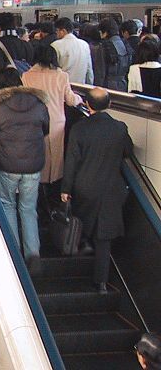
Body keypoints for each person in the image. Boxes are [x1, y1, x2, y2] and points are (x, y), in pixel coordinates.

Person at [61, 88, 133, 293]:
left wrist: (66, 188)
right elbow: (127, 151)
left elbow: (72, 161)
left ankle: (75, 274)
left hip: (85, 188)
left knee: (80, 229)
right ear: (109, 104)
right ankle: (101, 283)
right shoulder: (119, 128)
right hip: (112, 189)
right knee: (104, 239)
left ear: (87, 105)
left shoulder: (79, 128)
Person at [0, 69, 49, 270]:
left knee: (7, 204)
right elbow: (45, 129)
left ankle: (14, 253)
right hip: (33, 165)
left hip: (7, 164)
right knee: (29, 208)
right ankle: (33, 253)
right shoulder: (38, 104)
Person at [20, 44, 83, 188]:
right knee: (55, 155)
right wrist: (80, 99)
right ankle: (53, 185)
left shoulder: (26, 76)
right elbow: (71, 100)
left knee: (37, 152)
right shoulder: (61, 76)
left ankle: (37, 185)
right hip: (56, 121)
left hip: (34, 120)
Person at [52, 17, 94, 84]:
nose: (56, 34)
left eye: (57, 31)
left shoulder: (55, 45)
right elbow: (89, 69)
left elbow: (52, 70)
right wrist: (90, 86)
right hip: (80, 87)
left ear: (63, 31)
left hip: (62, 87)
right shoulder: (84, 44)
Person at [96, 18, 132, 91]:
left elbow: (101, 72)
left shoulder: (104, 46)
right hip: (124, 84)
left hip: (108, 85)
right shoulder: (126, 44)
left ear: (105, 32)